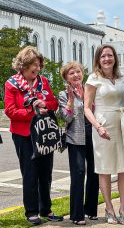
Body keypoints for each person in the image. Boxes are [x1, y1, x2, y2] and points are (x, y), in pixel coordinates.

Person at [4, 46, 63, 225]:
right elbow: (10, 111)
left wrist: (44, 103)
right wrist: (33, 111)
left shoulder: (43, 82)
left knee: (46, 173)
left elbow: (53, 103)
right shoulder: (11, 84)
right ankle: (31, 212)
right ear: (23, 65)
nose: (36, 68)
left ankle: (46, 209)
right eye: (33, 64)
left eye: (38, 64)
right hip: (23, 134)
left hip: (44, 133)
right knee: (30, 173)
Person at [84, 45, 124, 225]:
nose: (107, 59)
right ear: (98, 59)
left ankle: (122, 207)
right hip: (103, 127)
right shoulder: (93, 79)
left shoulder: (123, 78)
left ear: (115, 58)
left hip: (121, 126)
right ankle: (109, 207)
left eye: (110, 55)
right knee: (105, 168)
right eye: (103, 56)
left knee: (123, 167)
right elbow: (87, 108)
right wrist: (98, 127)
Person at [58, 61, 99, 225]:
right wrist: (70, 100)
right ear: (66, 78)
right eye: (71, 73)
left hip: (93, 135)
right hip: (75, 137)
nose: (76, 75)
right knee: (78, 173)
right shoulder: (63, 94)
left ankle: (91, 210)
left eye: (78, 72)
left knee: (95, 172)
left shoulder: (91, 90)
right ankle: (77, 214)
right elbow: (66, 118)